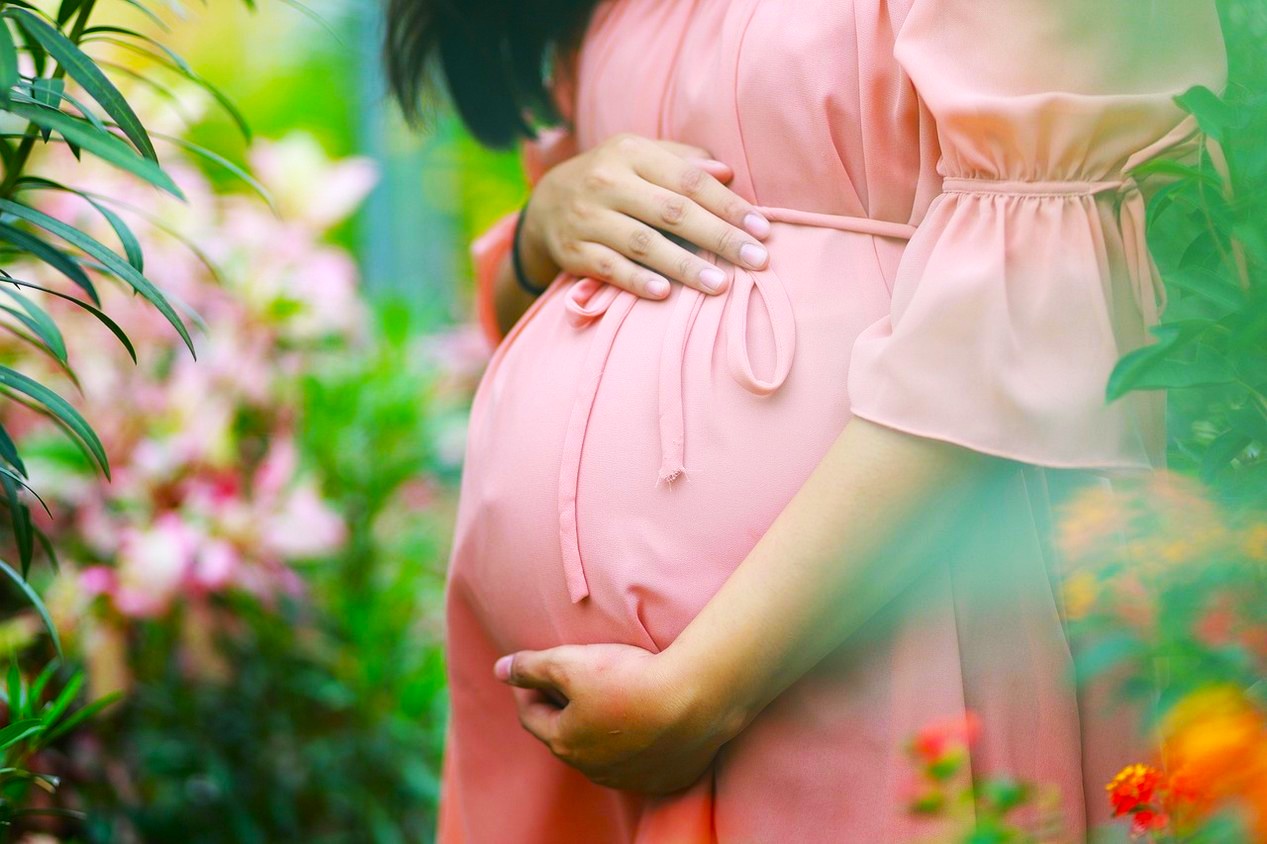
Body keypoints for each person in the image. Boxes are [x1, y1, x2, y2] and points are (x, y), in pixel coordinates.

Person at [383, 1, 1229, 840]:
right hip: (581, 751)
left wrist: (702, 691)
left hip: (879, 628)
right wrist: (543, 224)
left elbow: (1047, 313)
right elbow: (530, 309)